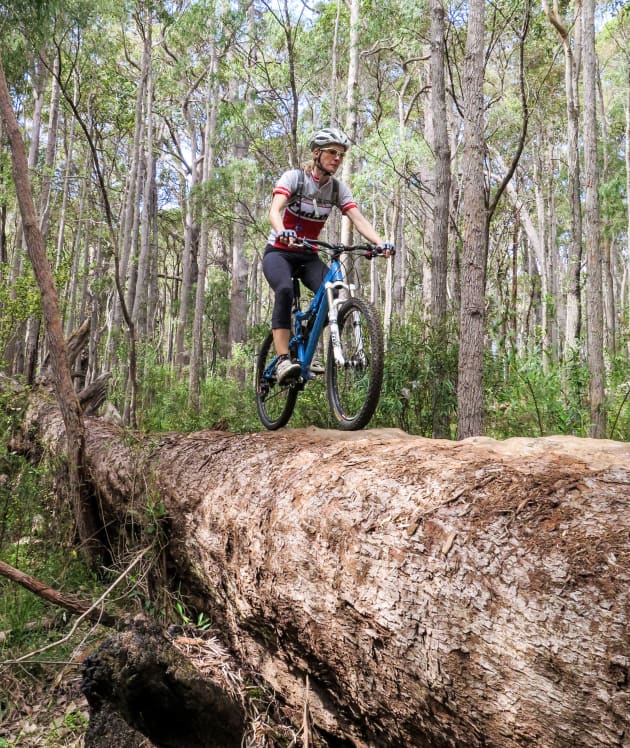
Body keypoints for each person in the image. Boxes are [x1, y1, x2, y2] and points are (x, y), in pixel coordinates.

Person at [263, 126, 394, 383]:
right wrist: (282, 231)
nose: (337, 158)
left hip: (308, 255)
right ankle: (281, 361)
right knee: (285, 291)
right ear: (316, 153)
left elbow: (358, 219)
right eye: (332, 152)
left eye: (341, 155)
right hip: (279, 252)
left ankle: (305, 346)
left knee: (331, 293)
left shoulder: (336, 189)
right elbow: (274, 211)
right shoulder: (294, 179)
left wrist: (381, 243)